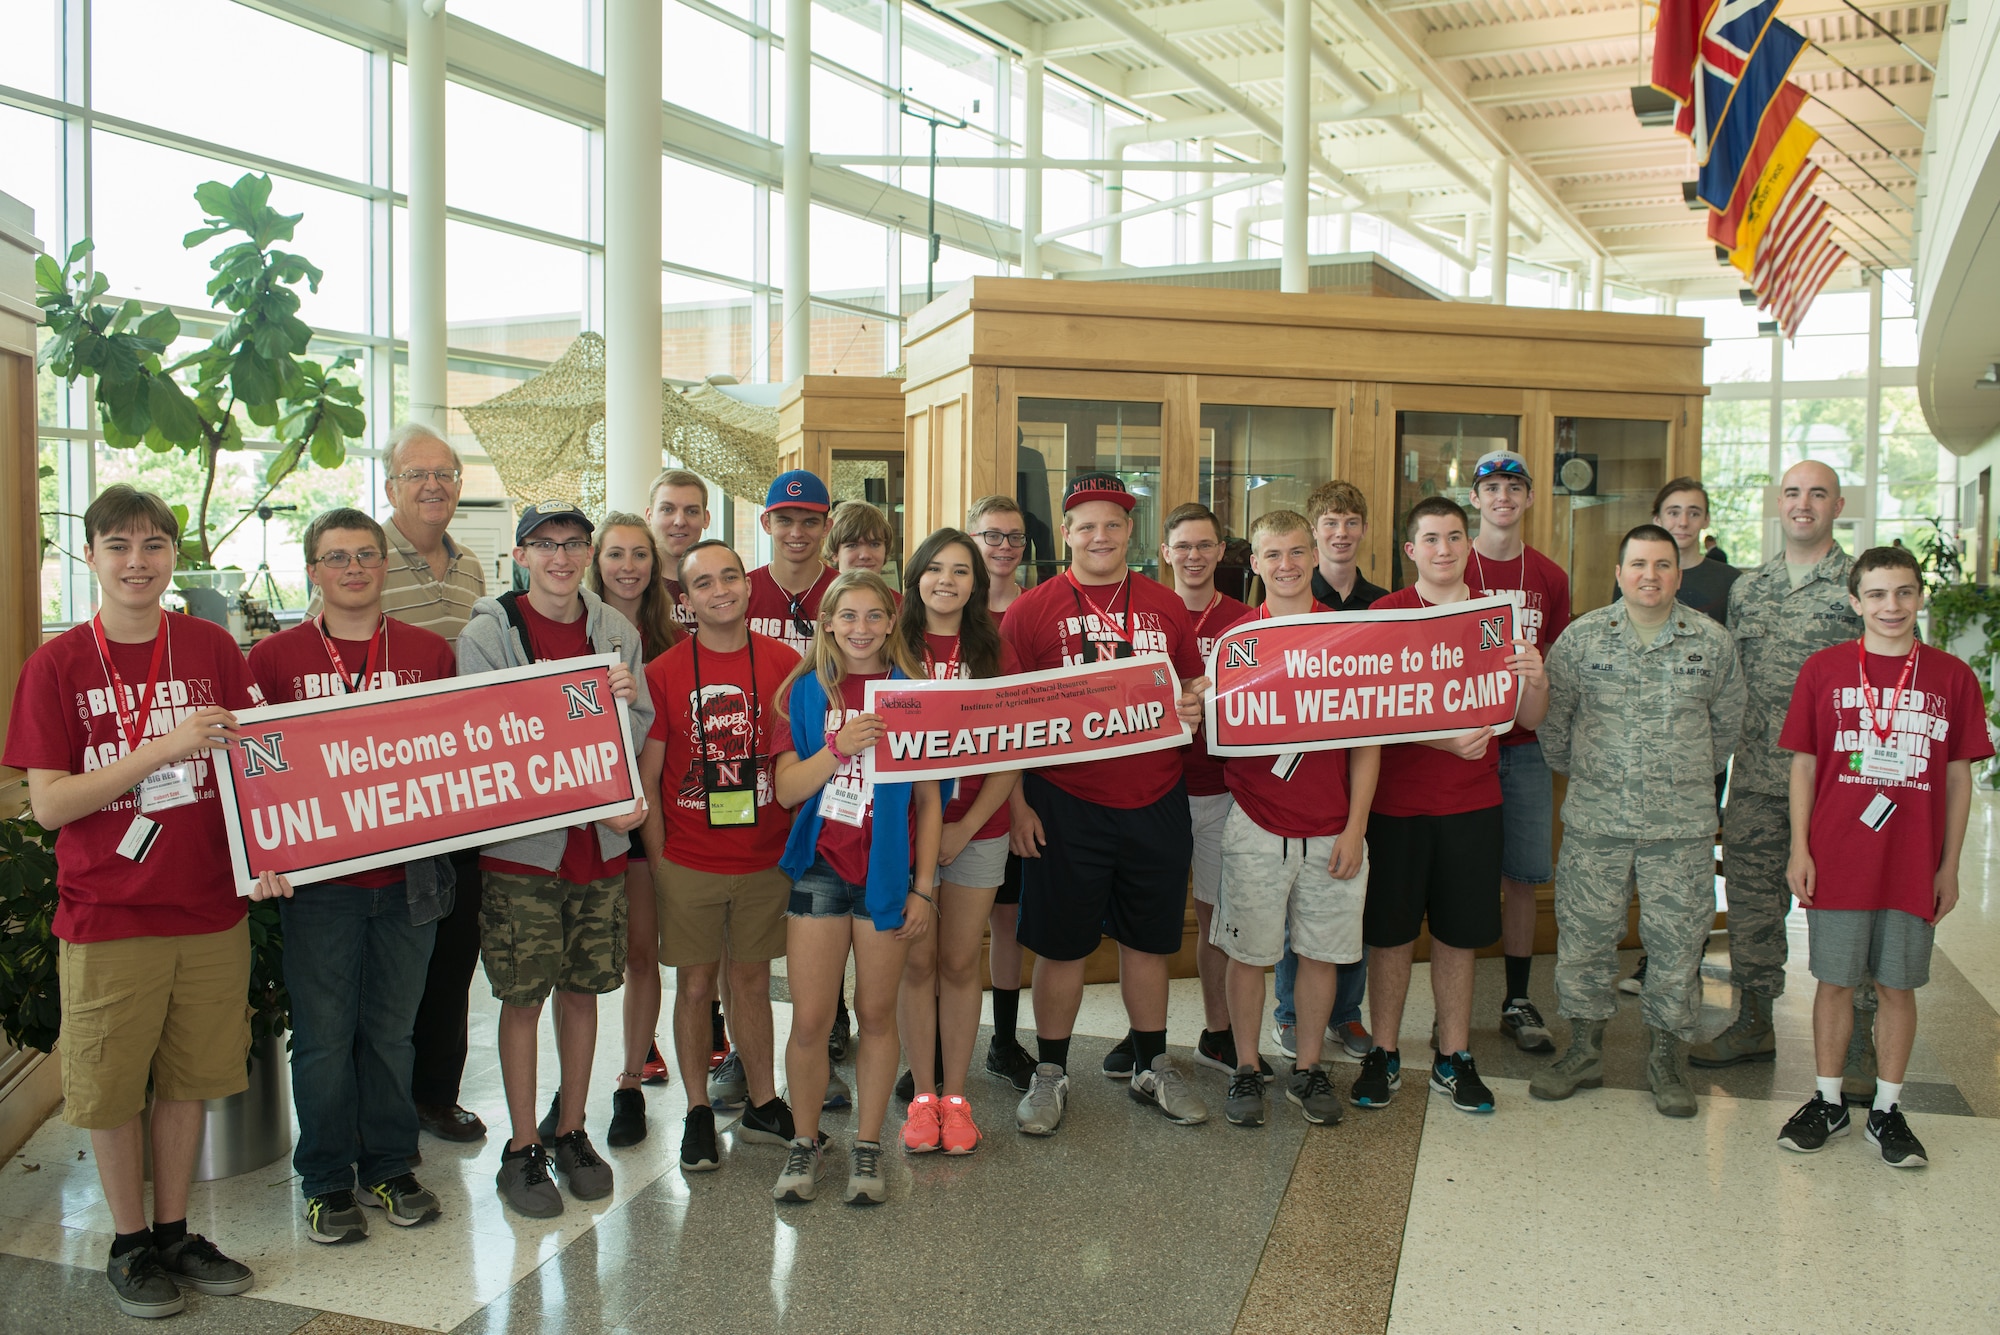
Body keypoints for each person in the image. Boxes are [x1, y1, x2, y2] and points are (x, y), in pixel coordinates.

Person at [6, 485, 275, 1317]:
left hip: (209, 909)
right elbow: (49, 804)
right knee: (114, 1087)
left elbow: (255, 761)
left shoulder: (208, 645)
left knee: (190, 1079)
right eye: (119, 544)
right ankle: (127, 1243)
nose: (137, 561)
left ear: (171, 558)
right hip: (109, 915)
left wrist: (275, 851)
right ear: (88, 555)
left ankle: (173, 1231)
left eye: (154, 544)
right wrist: (165, 744)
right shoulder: (57, 664)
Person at [245, 508, 459, 1241]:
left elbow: (458, 754)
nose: (354, 569)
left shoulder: (431, 652)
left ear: (385, 565)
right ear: (313, 570)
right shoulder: (274, 660)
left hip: (410, 880)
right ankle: (328, 1178)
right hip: (320, 887)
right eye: (336, 558)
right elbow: (254, 772)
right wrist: (262, 850)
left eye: (366, 555)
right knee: (326, 1037)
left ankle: (392, 1165)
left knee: (393, 1034)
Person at [1001, 472, 1212, 1136]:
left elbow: (1191, 689)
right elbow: (1006, 718)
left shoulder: (1164, 604)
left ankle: (1152, 1062)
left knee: (1149, 943)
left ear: (1130, 532)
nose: (1100, 536)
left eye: (1113, 524)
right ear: (1065, 533)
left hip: (1155, 797)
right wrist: (1015, 805)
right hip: (1066, 801)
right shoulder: (1031, 610)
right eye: (1086, 525)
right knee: (1061, 948)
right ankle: (1051, 1070)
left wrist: (1193, 704)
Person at [456, 501, 652, 1218]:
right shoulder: (487, 634)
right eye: (545, 544)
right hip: (523, 854)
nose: (560, 557)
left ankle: (570, 1128)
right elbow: (493, 740)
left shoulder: (616, 631)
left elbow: (636, 730)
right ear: (520, 554)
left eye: (573, 543)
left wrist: (622, 706)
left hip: (597, 853)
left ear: (589, 551)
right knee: (521, 996)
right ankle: (521, 1146)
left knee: (582, 990)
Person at [1774, 545, 1986, 1167]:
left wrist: (1948, 865)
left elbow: (1957, 778)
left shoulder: (1952, 677)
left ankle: (1889, 1110)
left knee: (1897, 985)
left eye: (1902, 592)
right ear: (1855, 602)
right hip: (1838, 854)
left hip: (1912, 860)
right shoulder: (1825, 670)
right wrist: (1799, 847)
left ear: (1920, 596)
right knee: (1834, 981)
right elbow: (1805, 765)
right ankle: (1828, 1100)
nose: (1890, 606)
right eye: (1876, 594)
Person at [1532, 525, 1745, 1118]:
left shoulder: (1710, 642)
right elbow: (1554, 723)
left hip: (1681, 830)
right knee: (1583, 941)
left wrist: (1681, 778)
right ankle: (1583, 1051)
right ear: (1620, 572)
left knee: (1677, 948)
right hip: (1597, 823)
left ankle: (1666, 1060)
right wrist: (1598, 777)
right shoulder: (1580, 640)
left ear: (1678, 573)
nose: (1649, 575)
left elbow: (1726, 728)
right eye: (1637, 564)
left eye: (1662, 564)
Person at [1352, 496, 1547, 1116]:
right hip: (1396, 807)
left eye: (1454, 537)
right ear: (1411, 551)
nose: (1443, 549)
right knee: (1389, 937)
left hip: (1472, 804)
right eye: (1430, 539)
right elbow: (1366, 716)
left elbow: (1527, 718)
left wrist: (1535, 678)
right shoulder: (1384, 616)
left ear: (1469, 546)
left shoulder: (1495, 619)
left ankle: (1454, 1056)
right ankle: (1384, 1052)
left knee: (1459, 938)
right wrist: (1439, 737)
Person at [1690, 461, 1872, 1089]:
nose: (1803, 505)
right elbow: (1729, 682)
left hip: (1841, 782)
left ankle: (1861, 1039)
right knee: (1751, 906)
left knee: (1850, 906)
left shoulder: (1859, 584)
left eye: (1817, 494)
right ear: (1779, 504)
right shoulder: (1750, 587)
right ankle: (1753, 1020)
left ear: (1837, 505)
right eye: (1793, 493)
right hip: (1761, 776)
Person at [770, 572, 942, 1205]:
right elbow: (788, 790)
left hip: (888, 876)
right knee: (812, 1019)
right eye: (849, 616)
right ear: (829, 623)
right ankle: (806, 1140)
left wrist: (924, 890)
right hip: (819, 870)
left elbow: (930, 802)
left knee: (875, 1014)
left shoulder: (913, 695)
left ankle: (868, 1144)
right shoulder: (804, 692)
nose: (862, 628)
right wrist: (838, 749)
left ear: (892, 624)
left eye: (875, 616)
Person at [344, 424, 493, 1150]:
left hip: (461, 788)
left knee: (453, 947)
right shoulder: (365, 557)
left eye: (446, 472)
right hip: (387, 789)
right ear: (390, 485)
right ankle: (376, 1102)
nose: (433, 485)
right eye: (416, 474)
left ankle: (436, 1092)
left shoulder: (471, 567)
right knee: (390, 952)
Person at [636, 539, 802, 1173]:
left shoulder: (786, 663)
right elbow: (648, 779)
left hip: (763, 858)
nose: (721, 590)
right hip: (691, 860)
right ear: (686, 601)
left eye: (730, 576)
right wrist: (661, 861)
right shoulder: (665, 673)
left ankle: (763, 1101)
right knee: (697, 985)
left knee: (752, 981)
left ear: (748, 585)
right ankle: (698, 1111)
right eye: (703, 583)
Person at [1214, 511, 1379, 1129]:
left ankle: (1308, 1067)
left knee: (1321, 954)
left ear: (1315, 556)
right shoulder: (1237, 641)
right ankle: (1247, 1068)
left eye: (1296, 552)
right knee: (1250, 954)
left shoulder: (1349, 634)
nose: (1285, 565)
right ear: (1252, 563)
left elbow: (1369, 742)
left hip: (1334, 826)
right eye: (1271, 554)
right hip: (1257, 822)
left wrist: (1357, 827)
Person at [894, 529, 1022, 1156]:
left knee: (960, 962)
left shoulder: (995, 647)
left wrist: (966, 827)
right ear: (916, 574)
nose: (947, 580)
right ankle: (921, 1097)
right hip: (902, 832)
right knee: (915, 964)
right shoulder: (890, 642)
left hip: (979, 829)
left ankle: (957, 1097)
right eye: (936, 568)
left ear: (977, 582)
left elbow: (1015, 748)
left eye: (961, 571)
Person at [1612, 478, 1740, 996]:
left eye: (1694, 511)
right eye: (1673, 511)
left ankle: (1684, 956)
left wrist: (1704, 757)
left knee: (1686, 868)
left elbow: (1729, 700)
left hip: (1692, 757)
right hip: (1623, 760)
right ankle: (1648, 957)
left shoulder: (1732, 582)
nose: (1683, 520)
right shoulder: (1632, 579)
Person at [1463, 449, 1570, 1055]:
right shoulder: (1456, 563)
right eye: (1492, 487)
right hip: (1464, 744)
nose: (1503, 497)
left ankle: (1518, 998)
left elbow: (1549, 664)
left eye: (1514, 487)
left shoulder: (1549, 577)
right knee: (1466, 876)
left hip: (1525, 745)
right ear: (1476, 499)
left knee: (1524, 877)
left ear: (1530, 499)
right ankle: (1458, 1002)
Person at [585, 515, 687, 1148]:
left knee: (642, 952)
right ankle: (569, 1091)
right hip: (580, 823)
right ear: (597, 561)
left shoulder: (673, 639)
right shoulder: (574, 629)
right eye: (615, 554)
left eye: (639, 555)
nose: (628, 566)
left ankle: (630, 1077)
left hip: (650, 816)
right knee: (590, 964)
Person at [1274, 480, 1383, 1066]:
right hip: (1295, 786)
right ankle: (1290, 1011)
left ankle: (1346, 1012)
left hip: (1359, 780)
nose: (1340, 533)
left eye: (1350, 521)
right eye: (1329, 523)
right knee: (1295, 906)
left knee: (1346, 898)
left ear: (1362, 529)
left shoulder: (1382, 607)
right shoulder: (1285, 597)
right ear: (1313, 538)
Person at [1156, 502, 1259, 1078]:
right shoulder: (1146, 615)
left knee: (1214, 916)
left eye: (1205, 546)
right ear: (1165, 553)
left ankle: (1217, 1032)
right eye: (1183, 547)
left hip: (1223, 791)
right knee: (1150, 919)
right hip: (1158, 789)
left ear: (1222, 552)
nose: (1193, 557)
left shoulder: (1248, 622)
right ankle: (1143, 1035)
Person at [965, 494, 1033, 1088]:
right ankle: (934, 1050)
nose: (1004, 547)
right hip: (954, 794)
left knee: (1007, 919)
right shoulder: (946, 606)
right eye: (992, 536)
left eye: (1014, 537)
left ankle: (1005, 1041)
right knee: (940, 930)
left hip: (1022, 785)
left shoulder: (1035, 609)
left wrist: (1017, 805)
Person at [747, 469, 837, 659]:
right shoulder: (742, 590)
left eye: (810, 522)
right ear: (766, 523)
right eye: (785, 521)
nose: (796, 533)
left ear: (826, 527)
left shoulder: (844, 591)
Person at [646, 468, 711, 633]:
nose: (680, 521)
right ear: (649, 516)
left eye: (691, 511)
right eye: (668, 509)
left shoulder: (722, 586)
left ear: (706, 519)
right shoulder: (632, 585)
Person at [823, 500, 895, 580]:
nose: (865, 555)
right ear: (834, 553)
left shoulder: (891, 593)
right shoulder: (820, 592)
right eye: (852, 545)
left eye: (875, 544)